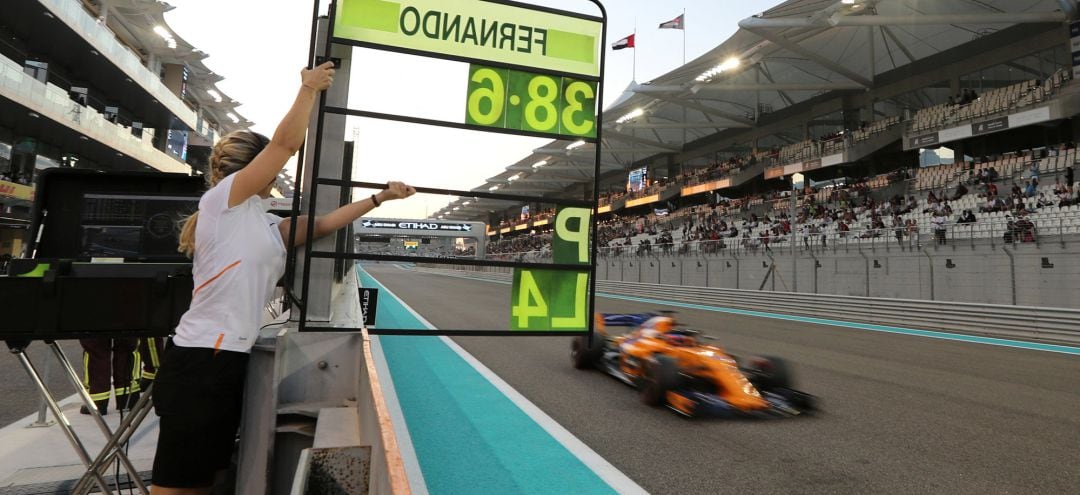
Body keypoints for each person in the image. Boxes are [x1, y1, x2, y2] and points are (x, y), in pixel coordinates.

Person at [150, 62, 415, 493]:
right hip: (200, 359)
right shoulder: (225, 201)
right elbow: (286, 143)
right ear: (255, 168)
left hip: (228, 360)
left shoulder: (264, 222)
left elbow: (326, 223)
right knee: (175, 485)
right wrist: (309, 89)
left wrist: (379, 198)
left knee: (204, 480)